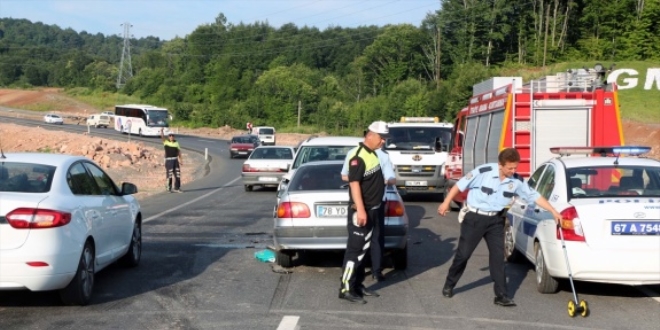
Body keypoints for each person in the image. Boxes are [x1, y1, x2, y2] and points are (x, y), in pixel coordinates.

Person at [437, 148, 562, 307]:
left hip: (495, 221)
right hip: (475, 218)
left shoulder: (516, 180)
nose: (513, 171)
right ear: (500, 165)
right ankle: (449, 284)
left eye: (515, 167)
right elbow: (459, 186)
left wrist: (553, 211)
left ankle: (501, 295)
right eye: (510, 168)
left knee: (497, 258)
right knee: (464, 255)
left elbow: (534, 196)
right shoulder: (483, 172)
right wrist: (446, 202)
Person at [338, 121, 389, 304]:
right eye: (381, 138)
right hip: (362, 211)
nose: (383, 141)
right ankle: (346, 288)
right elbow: (354, 183)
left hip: (373, 210)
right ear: (370, 135)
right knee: (354, 251)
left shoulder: (373, 154)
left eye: (385, 138)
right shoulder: (358, 157)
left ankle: (357, 285)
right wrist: (360, 209)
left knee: (363, 251)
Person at [160, 128, 183, 193]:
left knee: (177, 175)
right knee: (169, 175)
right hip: (169, 161)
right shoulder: (166, 142)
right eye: (170, 135)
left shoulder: (176, 143)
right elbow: (162, 138)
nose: (171, 137)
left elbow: (179, 152)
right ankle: (169, 188)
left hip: (175, 160)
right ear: (168, 136)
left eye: (172, 135)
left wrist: (181, 160)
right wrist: (161, 131)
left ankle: (177, 188)